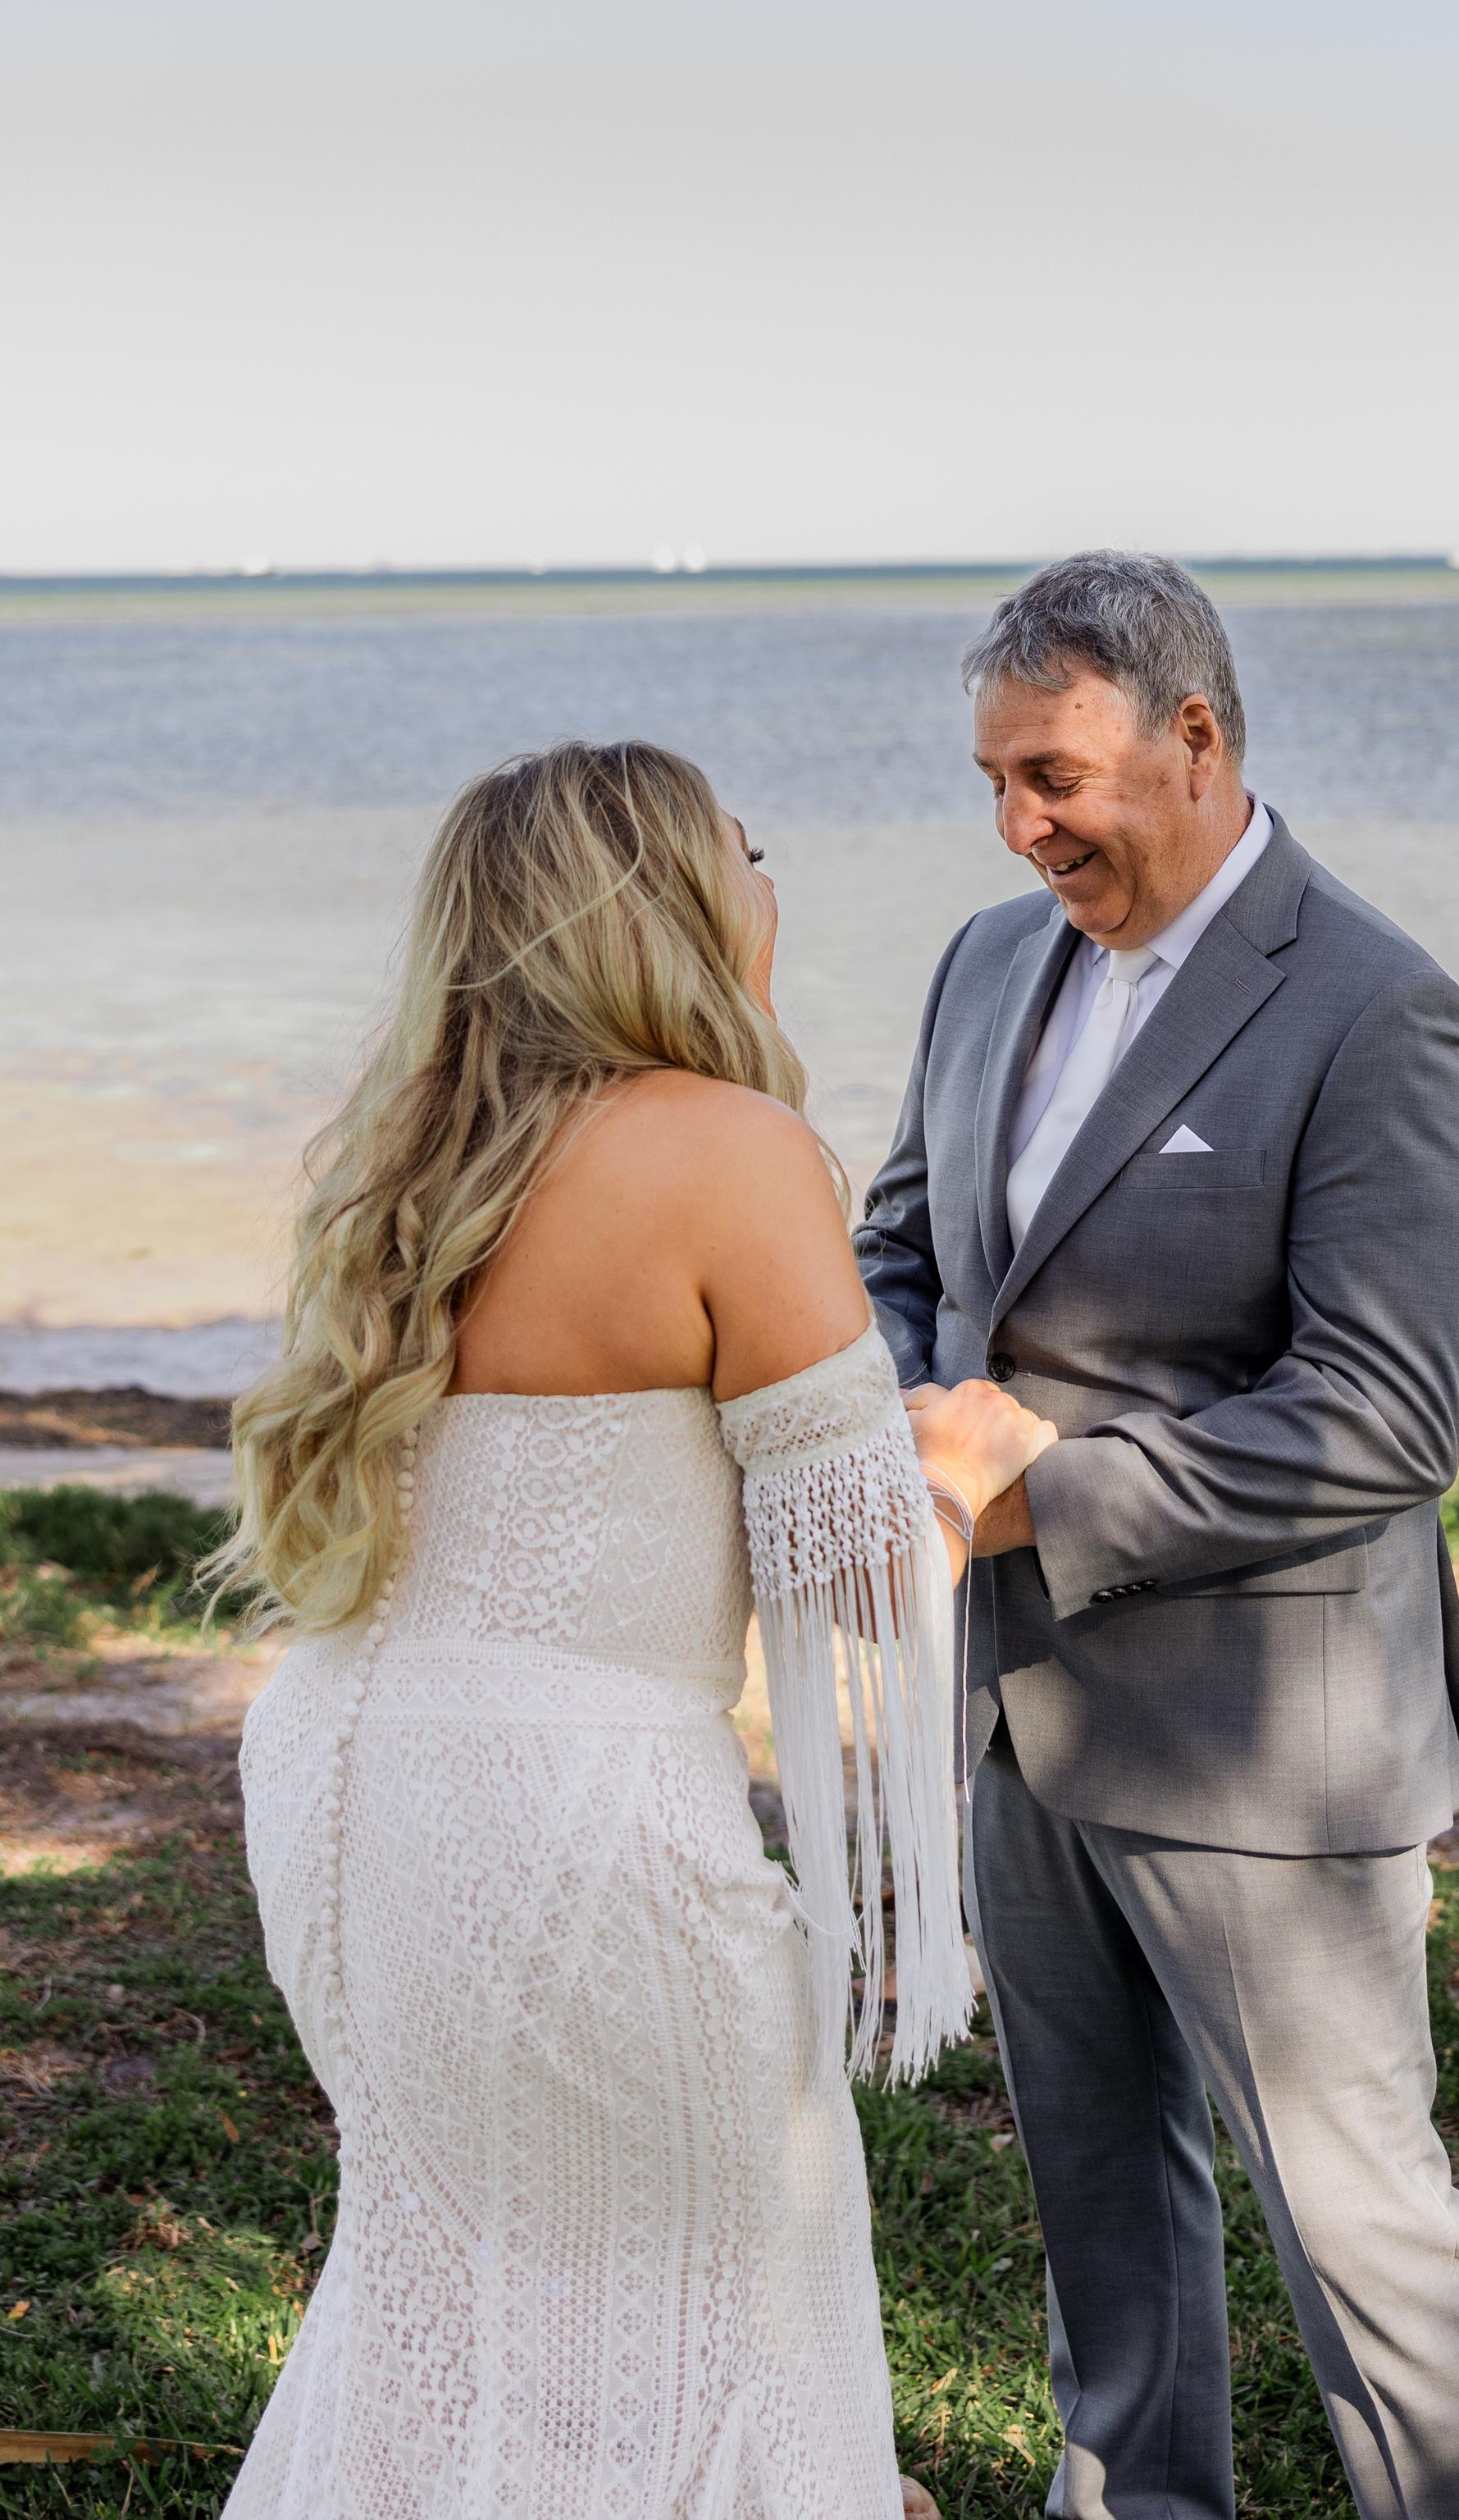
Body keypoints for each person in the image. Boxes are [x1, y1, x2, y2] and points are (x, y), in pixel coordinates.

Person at [214, 739, 1056, 2520]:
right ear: (670, 897)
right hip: (577, 1840)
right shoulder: (731, 1149)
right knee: (730, 2292)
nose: (770, 888)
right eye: (750, 852)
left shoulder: (403, 1153)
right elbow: (855, 1581)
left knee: (443, 2283)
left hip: (343, 1803)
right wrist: (969, 1465)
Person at [857, 551, 1459, 2520]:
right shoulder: (986, 961)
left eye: (1057, 776)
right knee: (1105, 2236)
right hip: (1021, 1712)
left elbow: (1383, 1418)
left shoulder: (1377, 1008)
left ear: (1196, 735)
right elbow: (907, 1246)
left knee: (1376, 2263)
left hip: (1267, 1752)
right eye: (995, 779)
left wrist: (1036, 1491)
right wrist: (900, 1402)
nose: (1022, 825)